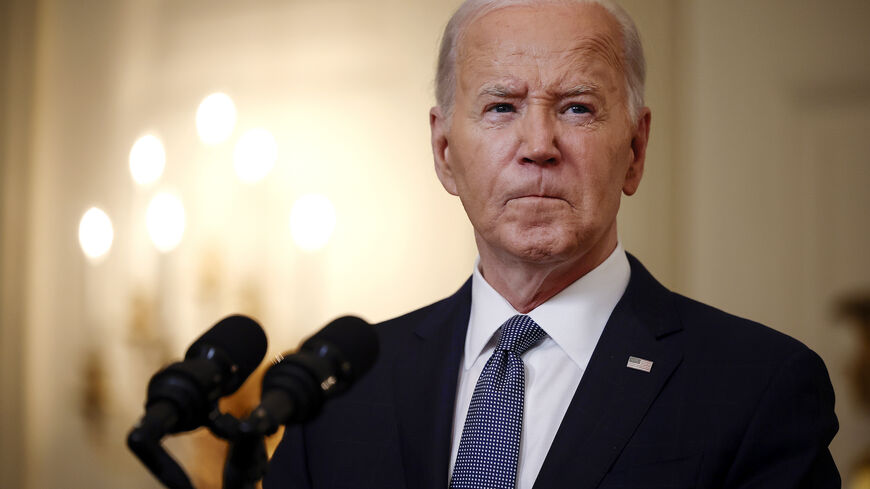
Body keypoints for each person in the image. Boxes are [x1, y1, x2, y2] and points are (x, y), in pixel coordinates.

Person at [264, 0, 840, 487]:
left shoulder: (759, 386)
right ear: (444, 153)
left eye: (577, 108)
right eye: (501, 107)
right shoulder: (335, 394)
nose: (539, 144)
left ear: (635, 152)